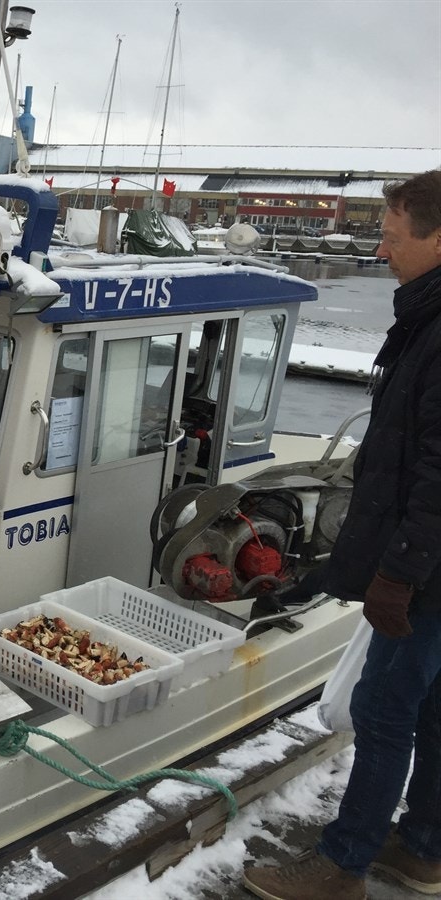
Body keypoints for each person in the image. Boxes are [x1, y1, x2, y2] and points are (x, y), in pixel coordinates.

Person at [243, 170, 441, 899]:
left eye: (391, 237)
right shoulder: (427, 318)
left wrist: (399, 573)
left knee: (383, 711)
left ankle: (342, 865)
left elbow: (435, 471)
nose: (381, 251)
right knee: (431, 708)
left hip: (425, 580)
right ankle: (422, 848)